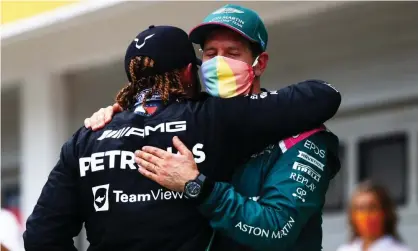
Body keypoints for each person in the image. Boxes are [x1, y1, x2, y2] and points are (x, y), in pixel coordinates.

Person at [23, 25, 341, 251]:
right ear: (191, 73)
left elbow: (40, 236)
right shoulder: (212, 117)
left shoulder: (85, 139)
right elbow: (322, 97)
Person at [336, 181, 410, 251]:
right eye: (360, 208)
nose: (366, 214)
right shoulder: (345, 249)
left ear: (385, 212)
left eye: (372, 208)